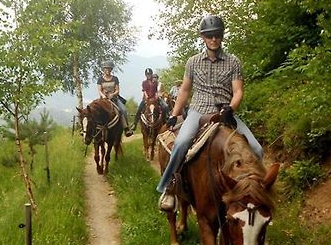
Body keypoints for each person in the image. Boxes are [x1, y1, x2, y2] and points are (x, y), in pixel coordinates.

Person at [157, 14, 263, 211]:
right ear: (203, 37)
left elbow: (238, 90)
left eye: (217, 35)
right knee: (180, 143)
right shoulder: (193, 62)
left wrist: (231, 109)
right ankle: (168, 188)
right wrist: (174, 114)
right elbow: (185, 90)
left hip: (225, 111)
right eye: (209, 36)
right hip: (198, 111)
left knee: (256, 149)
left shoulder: (233, 62)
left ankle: (257, 196)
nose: (213, 39)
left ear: (222, 36)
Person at [97, 60, 133, 137]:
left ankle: (126, 128)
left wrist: (112, 94)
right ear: (103, 69)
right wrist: (103, 96)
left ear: (111, 69)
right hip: (103, 99)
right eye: (106, 68)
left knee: (123, 110)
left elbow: (117, 90)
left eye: (109, 68)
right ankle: (92, 129)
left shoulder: (115, 79)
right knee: (94, 110)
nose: (107, 70)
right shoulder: (100, 79)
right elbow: (99, 90)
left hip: (114, 98)